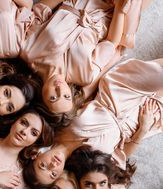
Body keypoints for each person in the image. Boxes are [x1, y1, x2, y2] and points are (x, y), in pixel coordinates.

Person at [22, 58, 162, 186]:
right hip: (139, 121)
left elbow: (85, 94)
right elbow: (122, 155)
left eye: (43, 166)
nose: (52, 166)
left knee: (159, 74)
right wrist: (143, 129)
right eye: (53, 174)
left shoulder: (56, 126)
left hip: (116, 93)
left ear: (36, 156)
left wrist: (109, 63)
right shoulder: (85, 169)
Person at [21, 0, 151, 123]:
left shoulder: (30, 53)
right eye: (66, 96)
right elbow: (111, 42)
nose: (60, 89)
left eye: (54, 97)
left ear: (41, 99)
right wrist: (119, 8)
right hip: (111, 14)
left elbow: (42, 9)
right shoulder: (85, 76)